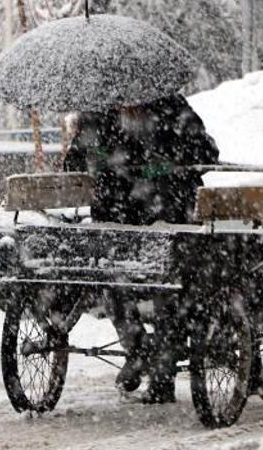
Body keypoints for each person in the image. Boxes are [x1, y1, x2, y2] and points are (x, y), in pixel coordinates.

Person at [64, 93, 219, 403]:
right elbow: (74, 162)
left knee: (167, 291)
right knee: (114, 285)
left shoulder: (171, 107)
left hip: (169, 218)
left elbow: (207, 152)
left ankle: (162, 375)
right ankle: (138, 350)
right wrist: (104, 156)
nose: (128, 104)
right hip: (118, 223)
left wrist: (164, 162)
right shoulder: (98, 113)